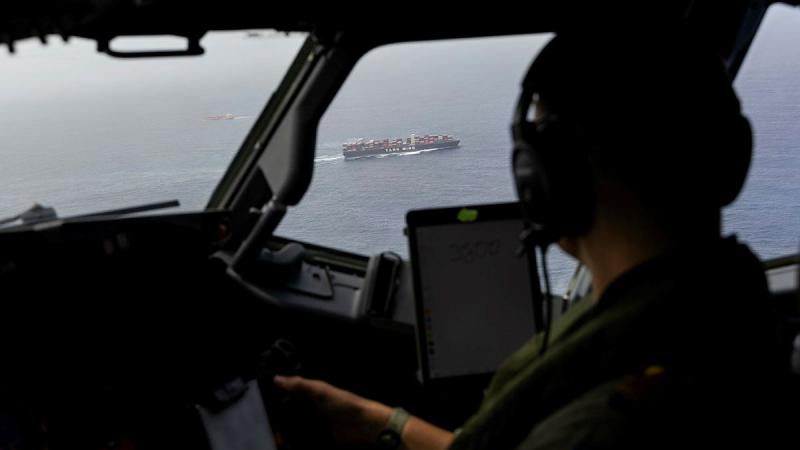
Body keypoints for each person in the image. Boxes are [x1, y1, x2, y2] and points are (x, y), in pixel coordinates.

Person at [274, 30, 784, 449]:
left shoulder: (600, 427)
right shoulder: (730, 315)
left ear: (546, 178)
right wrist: (373, 418)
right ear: (733, 159)